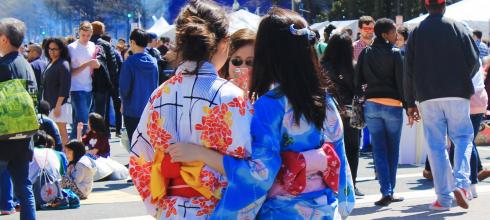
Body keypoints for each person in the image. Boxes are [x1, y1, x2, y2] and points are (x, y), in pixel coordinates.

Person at [128, 1, 276, 218]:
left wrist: (160, 207)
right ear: (224, 43)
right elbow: (254, 172)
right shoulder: (231, 98)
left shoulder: (160, 95)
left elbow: (138, 161)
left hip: (171, 211)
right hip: (220, 209)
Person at [248, 8, 354, 219]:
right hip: (325, 209)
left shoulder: (269, 106)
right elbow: (339, 156)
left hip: (281, 212)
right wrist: (344, 203)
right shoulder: (326, 101)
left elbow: (260, 174)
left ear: (267, 54)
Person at [404, 0, 480, 211]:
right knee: (463, 138)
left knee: (436, 146)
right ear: (444, 4)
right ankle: (462, 183)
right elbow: (475, 61)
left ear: (425, 6)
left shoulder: (417, 30)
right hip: (457, 93)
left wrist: (410, 102)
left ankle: (444, 198)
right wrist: (462, 78)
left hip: (428, 95)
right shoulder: (457, 27)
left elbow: (407, 69)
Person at [355, 18, 405, 206]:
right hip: (393, 105)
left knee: (379, 150)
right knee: (393, 150)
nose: (396, 36)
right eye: (393, 33)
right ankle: (389, 191)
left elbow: (357, 81)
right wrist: (408, 106)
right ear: (385, 34)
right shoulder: (395, 53)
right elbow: (402, 83)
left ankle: (386, 191)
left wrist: (364, 96)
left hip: (372, 105)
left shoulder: (366, 53)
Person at [0, 17, 37, 220]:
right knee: (24, 189)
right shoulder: (26, 65)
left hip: (3, 136)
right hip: (24, 136)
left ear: (4, 39)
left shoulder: (3, 66)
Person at [322, 31, 364, 197]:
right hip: (349, 112)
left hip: (327, 112)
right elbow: (359, 88)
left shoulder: (322, 66)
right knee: (352, 150)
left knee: (329, 149)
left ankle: (331, 184)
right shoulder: (352, 66)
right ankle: (350, 185)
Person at [119, 29, 158, 143]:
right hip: (150, 108)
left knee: (134, 142)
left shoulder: (129, 63)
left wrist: (122, 102)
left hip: (132, 109)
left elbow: (125, 88)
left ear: (132, 42)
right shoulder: (153, 62)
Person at [68, 21, 100, 139]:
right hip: (76, 88)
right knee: (83, 122)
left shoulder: (92, 46)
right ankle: (78, 148)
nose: (86, 38)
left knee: (78, 123)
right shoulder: (71, 48)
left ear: (91, 34)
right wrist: (87, 64)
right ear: (78, 33)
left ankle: (71, 148)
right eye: (83, 35)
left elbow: (96, 64)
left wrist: (96, 64)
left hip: (89, 87)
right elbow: (71, 72)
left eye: (88, 35)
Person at [42, 37, 72, 147]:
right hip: (50, 102)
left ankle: (67, 157)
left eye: (55, 49)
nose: (52, 51)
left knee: (62, 131)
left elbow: (65, 86)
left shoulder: (63, 64)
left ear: (61, 49)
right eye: (50, 49)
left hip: (59, 104)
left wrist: (58, 106)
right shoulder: (51, 62)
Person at [90, 21, 119, 133]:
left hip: (86, 81)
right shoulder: (106, 45)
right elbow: (113, 65)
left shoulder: (85, 44)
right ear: (102, 31)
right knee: (101, 111)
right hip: (102, 83)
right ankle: (101, 133)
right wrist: (113, 83)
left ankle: (89, 133)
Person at [101, 34, 123, 136]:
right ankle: (118, 130)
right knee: (117, 107)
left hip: (105, 83)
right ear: (110, 41)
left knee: (105, 108)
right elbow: (121, 67)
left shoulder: (100, 52)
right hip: (116, 83)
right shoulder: (116, 53)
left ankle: (107, 131)